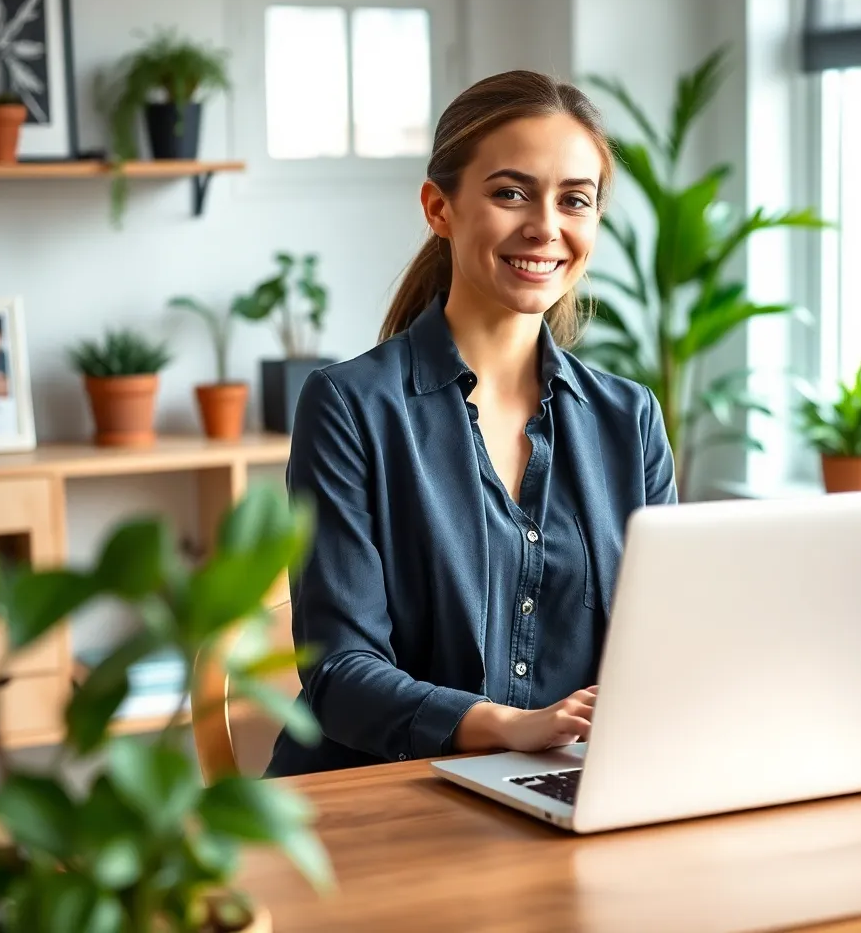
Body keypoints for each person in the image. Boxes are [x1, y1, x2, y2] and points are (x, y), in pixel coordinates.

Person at [266, 70, 677, 777]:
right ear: (439, 208)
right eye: (510, 192)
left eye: (574, 200)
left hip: (569, 790)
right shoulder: (349, 407)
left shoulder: (629, 420)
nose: (546, 227)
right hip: (381, 804)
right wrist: (509, 727)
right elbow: (337, 672)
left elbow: (669, 643)